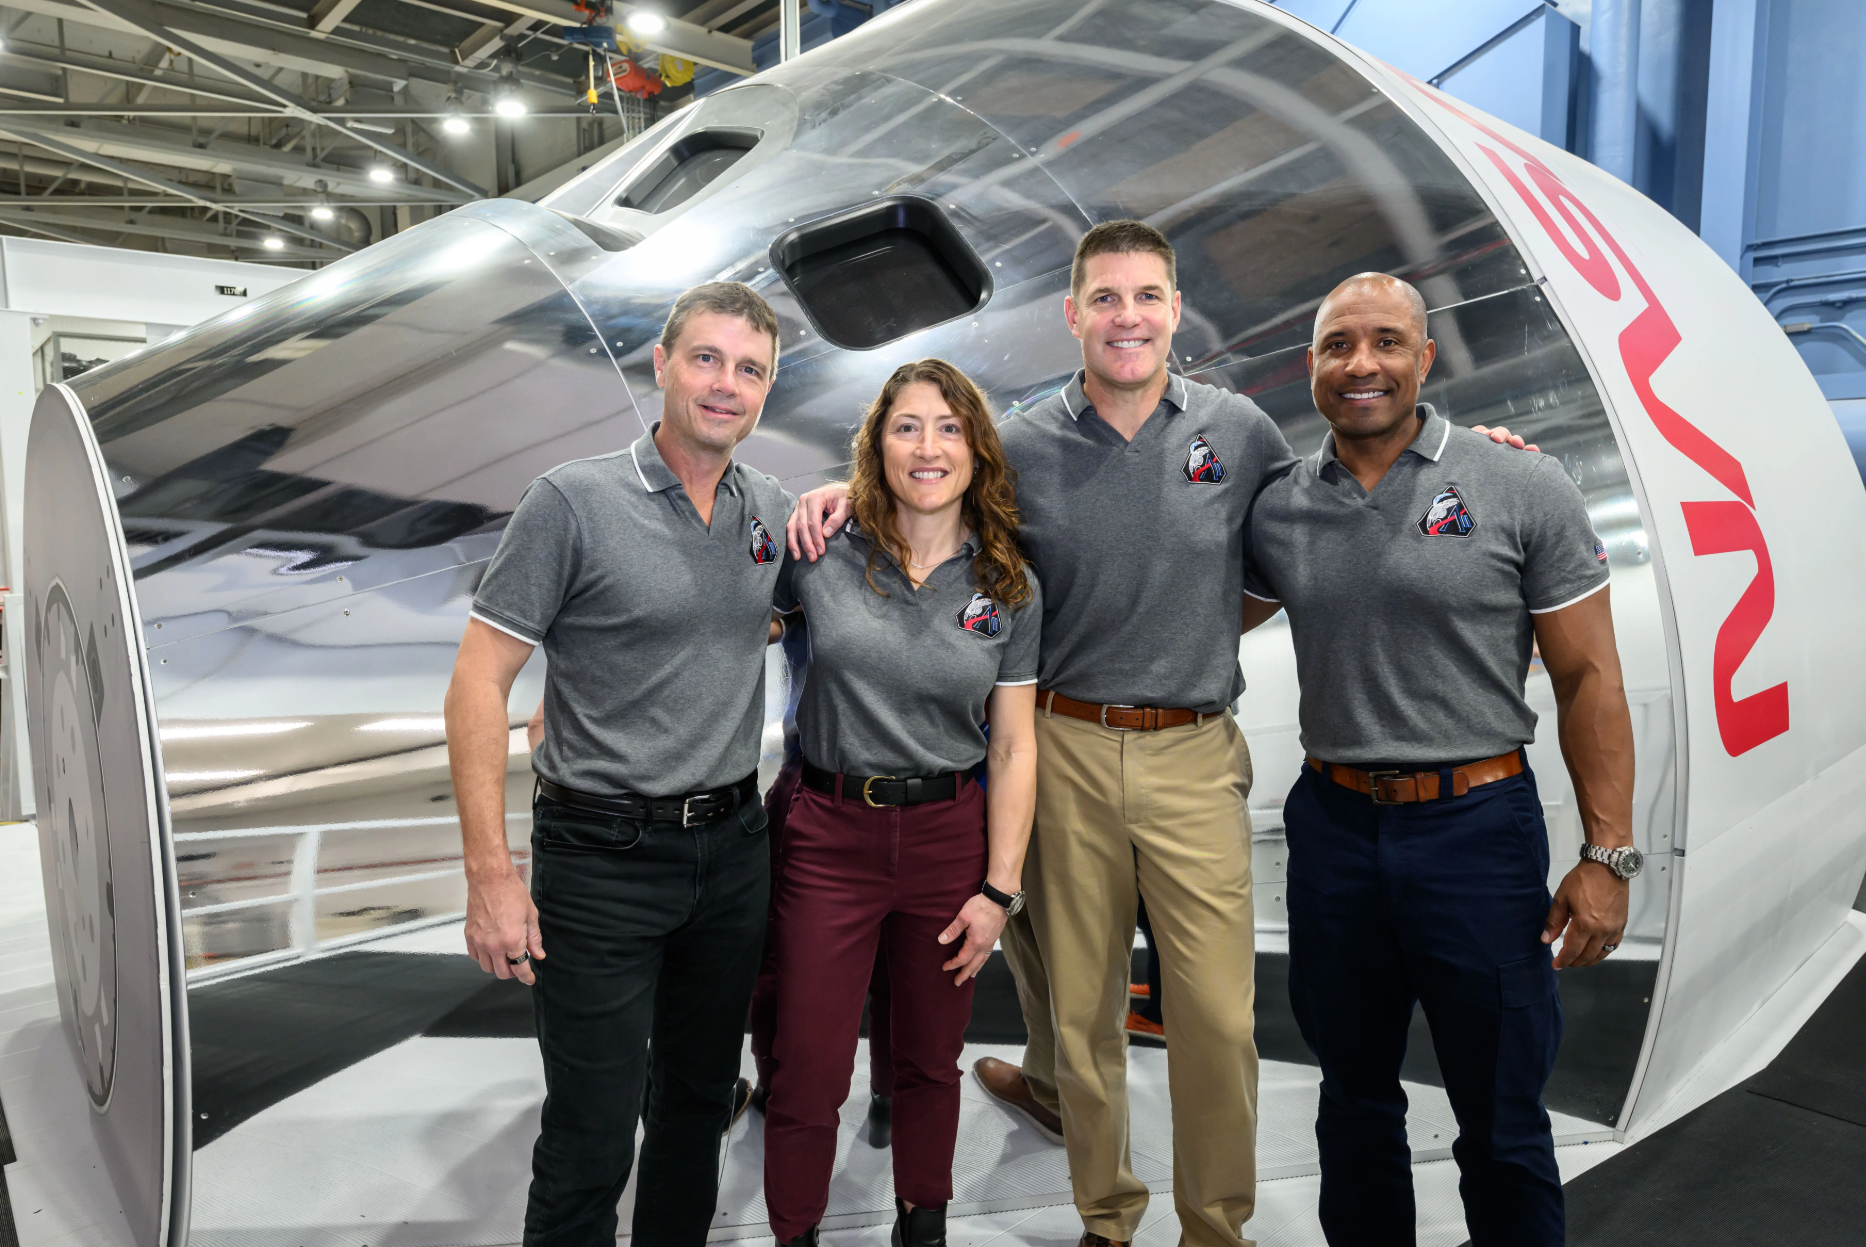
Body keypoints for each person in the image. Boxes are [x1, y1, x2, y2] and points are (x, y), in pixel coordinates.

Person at [792, 221, 1290, 1247]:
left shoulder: (1240, 432)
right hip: (1059, 741)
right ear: (1072, 314)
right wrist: (848, 491)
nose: (1128, 317)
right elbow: (935, 499)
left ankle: (1215, 1227)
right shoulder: (1016, 442)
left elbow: (1313, 535)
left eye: (1147, 295)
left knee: (1219, 1015)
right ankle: (1108, 1215)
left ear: (1175, 308)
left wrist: (1479, 455)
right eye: (1105, 298)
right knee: (1081, 1013)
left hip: (1195, 749)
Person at [1239, 273, 1638, 1246]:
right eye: (1338, 345)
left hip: (1476, 832)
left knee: (1502, 1120)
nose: (1361, 363)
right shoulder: (1281, 506)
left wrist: (1608, 853)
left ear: (1425, 357)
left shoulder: (1519, 483)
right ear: (1313, 366)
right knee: (1354, 1102)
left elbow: (1590, 675)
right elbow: (1174, 614)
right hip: (1335, 833)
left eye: (1385, 341)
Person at [444, 281, 792, 1247]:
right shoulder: (572, 501)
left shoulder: (768, 510)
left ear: (769, 388)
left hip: (731, 852)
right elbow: (478, 684)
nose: (727, 384)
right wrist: (490, 877)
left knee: (695, 1109)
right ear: (663, 365)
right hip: (600, 859)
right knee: (592, 1134)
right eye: (708, 359)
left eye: (750, 368)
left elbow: (789, 608)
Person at [763, 359, 1040, 1247]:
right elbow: (727, 627)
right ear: (875, 447)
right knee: (807, 1065)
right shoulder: (820, 552)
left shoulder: (1008, 585)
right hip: (828, 831)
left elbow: (1013, 744)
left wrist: (999, 891)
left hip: (947, 836)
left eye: (950, 427)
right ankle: (795, 1230)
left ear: (977, 449)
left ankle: (923, 1220)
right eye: (907, 426)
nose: (929, 446)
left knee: (928, 1060)